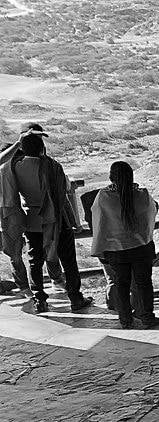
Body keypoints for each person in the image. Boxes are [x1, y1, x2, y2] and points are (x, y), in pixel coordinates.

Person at [0, 127, 91, 314]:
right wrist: (75, 222)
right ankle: (75, 298)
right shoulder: (53, 166)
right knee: (69, 261)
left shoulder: (14, 167)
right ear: (42, 149)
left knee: (35, 262)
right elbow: (63, 197)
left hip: (32, 220)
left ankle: (39, 300)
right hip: (57, 221)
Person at [90, 160, 159, 329]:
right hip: (141, 247)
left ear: (110, 177)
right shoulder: (142, 194)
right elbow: (153, 210)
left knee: (121, 283)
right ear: (131, 176)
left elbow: (98, 219)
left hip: (116, 250)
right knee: (144, 283)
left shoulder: (104, 196)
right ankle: (147, 317)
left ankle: (125, 319)